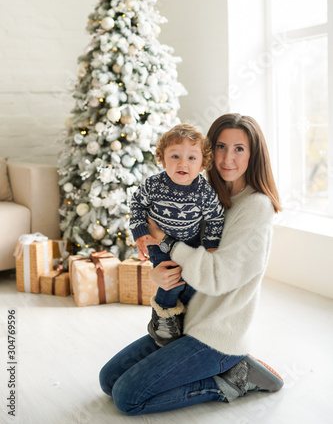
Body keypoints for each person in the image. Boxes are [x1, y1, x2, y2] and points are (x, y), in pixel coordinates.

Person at [99, 113, 284, 415]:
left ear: (254, 155)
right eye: (221, 146)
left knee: (127, 397)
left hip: (217, 336)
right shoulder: (206, 194)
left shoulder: (256, 208)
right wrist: (158, 274)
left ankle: (236, 378)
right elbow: (168, 242)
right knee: (108, 380)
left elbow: (217, 277)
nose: (228, 158)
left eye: (239, 149)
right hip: (187, 322)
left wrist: (167, 244)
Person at [129, 123, 224, 346]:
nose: (183, 163)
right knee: (172, 278)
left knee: (191, 279)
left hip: (190, 243)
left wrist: (211, 245)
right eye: (175, 156)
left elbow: (215, 217)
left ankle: (182, 315)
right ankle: (163, 318)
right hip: (157, 244)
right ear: (163, 160)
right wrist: (140, 231)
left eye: (192, 158)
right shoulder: (153, 185)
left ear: (202, 163)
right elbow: (136, 204)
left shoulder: (204, 192)